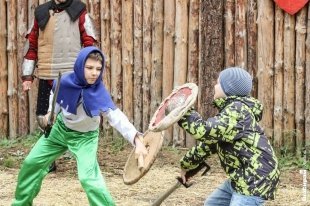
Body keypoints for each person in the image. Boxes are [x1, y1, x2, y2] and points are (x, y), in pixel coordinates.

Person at [12, 46, 148, 206]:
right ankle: (21, 203)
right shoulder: (64, 82)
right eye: (89, 67)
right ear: (79, 66)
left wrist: (137, 140)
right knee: (31, 163)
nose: (94, 73)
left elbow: (116, 117)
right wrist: (50, 114)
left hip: (85, 138)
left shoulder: (99, 92)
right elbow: (55, 99)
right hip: (60, 131)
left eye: (98, 69)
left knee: (88, 178)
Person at [177, 67, 280, 206]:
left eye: (218, 83)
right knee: (212, 204)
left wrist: (182, 110)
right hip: (240, 177)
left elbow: (204, 131)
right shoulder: (229, 113)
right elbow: (207, 145)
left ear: (229, 88)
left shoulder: (237, 110)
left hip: (254, 179)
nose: (214, 85)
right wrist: (186, 165)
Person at [21, 0, 97, 172]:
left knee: (75, 117)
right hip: (47, 74)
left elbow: (90, 44)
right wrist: (27, 76)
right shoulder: (41, 12)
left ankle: (84, 160)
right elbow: (32, 46)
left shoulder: (79, 11)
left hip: (72, 77)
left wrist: (87, 72)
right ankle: (48, 160)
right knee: (43, 117)